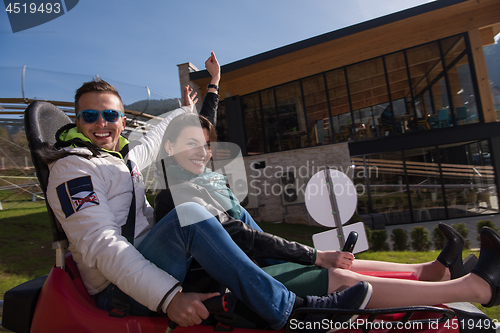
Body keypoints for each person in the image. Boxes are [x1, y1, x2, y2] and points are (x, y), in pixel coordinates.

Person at [43, 52, 374, 332]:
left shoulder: (122, 157)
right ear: (78, 119)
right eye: (90, 115)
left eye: (110, 114)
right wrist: (169, 298)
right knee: (190, 214)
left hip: (147, 260)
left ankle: (294, 272)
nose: (102, 123)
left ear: (122, 118)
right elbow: (103, 245)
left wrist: (194, 101)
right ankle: (293, 312)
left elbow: (158, 135)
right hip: (117, 287)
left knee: (235, 215)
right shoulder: (73, 169)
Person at [153, 110, 500, 322]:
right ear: (169, 149)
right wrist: (313, 254)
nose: (202, 152)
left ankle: (430, 272)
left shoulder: (200, 186)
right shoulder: (177, 196)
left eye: (205, 144)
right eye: (190, 144)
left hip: (257, 270)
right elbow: (244, 238)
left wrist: (212, 86)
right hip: (237, 288)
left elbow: (249, 233)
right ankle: (473, 288)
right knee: (340, 278)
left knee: (335, 268)